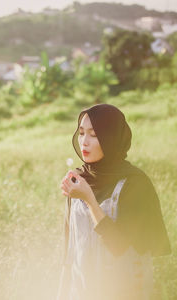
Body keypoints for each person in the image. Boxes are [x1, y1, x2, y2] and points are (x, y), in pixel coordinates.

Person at [56, 103, 171, 300]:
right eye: (81, 133)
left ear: (112, 138)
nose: (84, 142)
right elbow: (70, 251)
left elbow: (118, 244)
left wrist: (89, 201)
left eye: (94, 135)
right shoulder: (77, 179)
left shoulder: (135, 184)